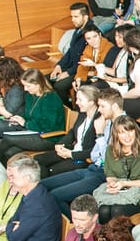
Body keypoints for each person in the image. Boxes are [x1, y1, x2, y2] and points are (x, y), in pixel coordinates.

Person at [40, 88, 125, 216]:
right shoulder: (107, 122)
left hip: (105, 175)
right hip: (93, 168)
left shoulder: (124, 127)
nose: (99, 110)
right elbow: (94, 154)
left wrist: (100, 134)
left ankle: (79, 227)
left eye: (102, 106)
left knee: (54, 196)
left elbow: (109, 161)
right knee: (42, 186)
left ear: (114, 106)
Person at [95, 116, 140, 223]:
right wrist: (113, 184)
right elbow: (110, 174)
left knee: (117, 210)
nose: (127, 136)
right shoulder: (111, 150)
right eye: (122, 132)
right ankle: (106, 238)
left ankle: (122, 239)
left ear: (136, 131)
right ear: (116, 135)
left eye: (130, 131)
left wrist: (124, 184)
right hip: (123, 191)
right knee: (103, 210)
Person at [0, 69, 65, 163]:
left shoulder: (51, 98)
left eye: (28, 86)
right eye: (24, 85)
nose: (25, 89)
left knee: (7, 138)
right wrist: (20, 119)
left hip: (48, 137)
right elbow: (30, 116)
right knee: (9, 151)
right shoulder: (30, 96)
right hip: (33, 131)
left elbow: (48, 125)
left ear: (38, 83)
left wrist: (25, 123)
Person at [48, 3, 92, 101]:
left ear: (85, 17)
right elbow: (69, 52)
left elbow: (85, 60)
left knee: (59, 86)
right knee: (46, 80)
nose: (72, 19)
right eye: (72, 16)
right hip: (70, 67)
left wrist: (67, 73)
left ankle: (67, 111)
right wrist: (59, 66)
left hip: (80, 69)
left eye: (76, 17)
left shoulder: (91, 33)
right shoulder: (78, 30)